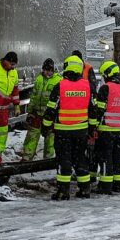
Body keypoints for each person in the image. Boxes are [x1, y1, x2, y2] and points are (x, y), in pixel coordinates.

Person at [43, 54, 92, 200]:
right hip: (81, 130)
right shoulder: (86, 86)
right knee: (80, 159)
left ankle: (63, 191)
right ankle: (84, 189)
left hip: (63, 131)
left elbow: (51, 109)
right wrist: (93, 128)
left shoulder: (61, 85)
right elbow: (93, 108)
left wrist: (45, 127)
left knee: (64, 160)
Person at [91, 60, 120, 194]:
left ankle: (105, 185)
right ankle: (117, 184)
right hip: (119, 129)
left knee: (105, 157)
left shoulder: (105, 88)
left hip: (106, 130)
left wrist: (93, 126)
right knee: (116, 156)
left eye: (104, 75)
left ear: (107, 74)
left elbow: (99, 111)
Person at [20, 58, 60, 161]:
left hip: (50, 115)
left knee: (49, 138)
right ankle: (27, 157)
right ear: (43, 69)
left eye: (50, 70)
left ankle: (48, 159)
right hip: (37, 113)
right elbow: (33, 97)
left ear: (53, 70)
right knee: (32, 135)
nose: (48, 72)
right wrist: (30, 111)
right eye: (46, 70)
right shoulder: (39, 79)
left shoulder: (58, 81)